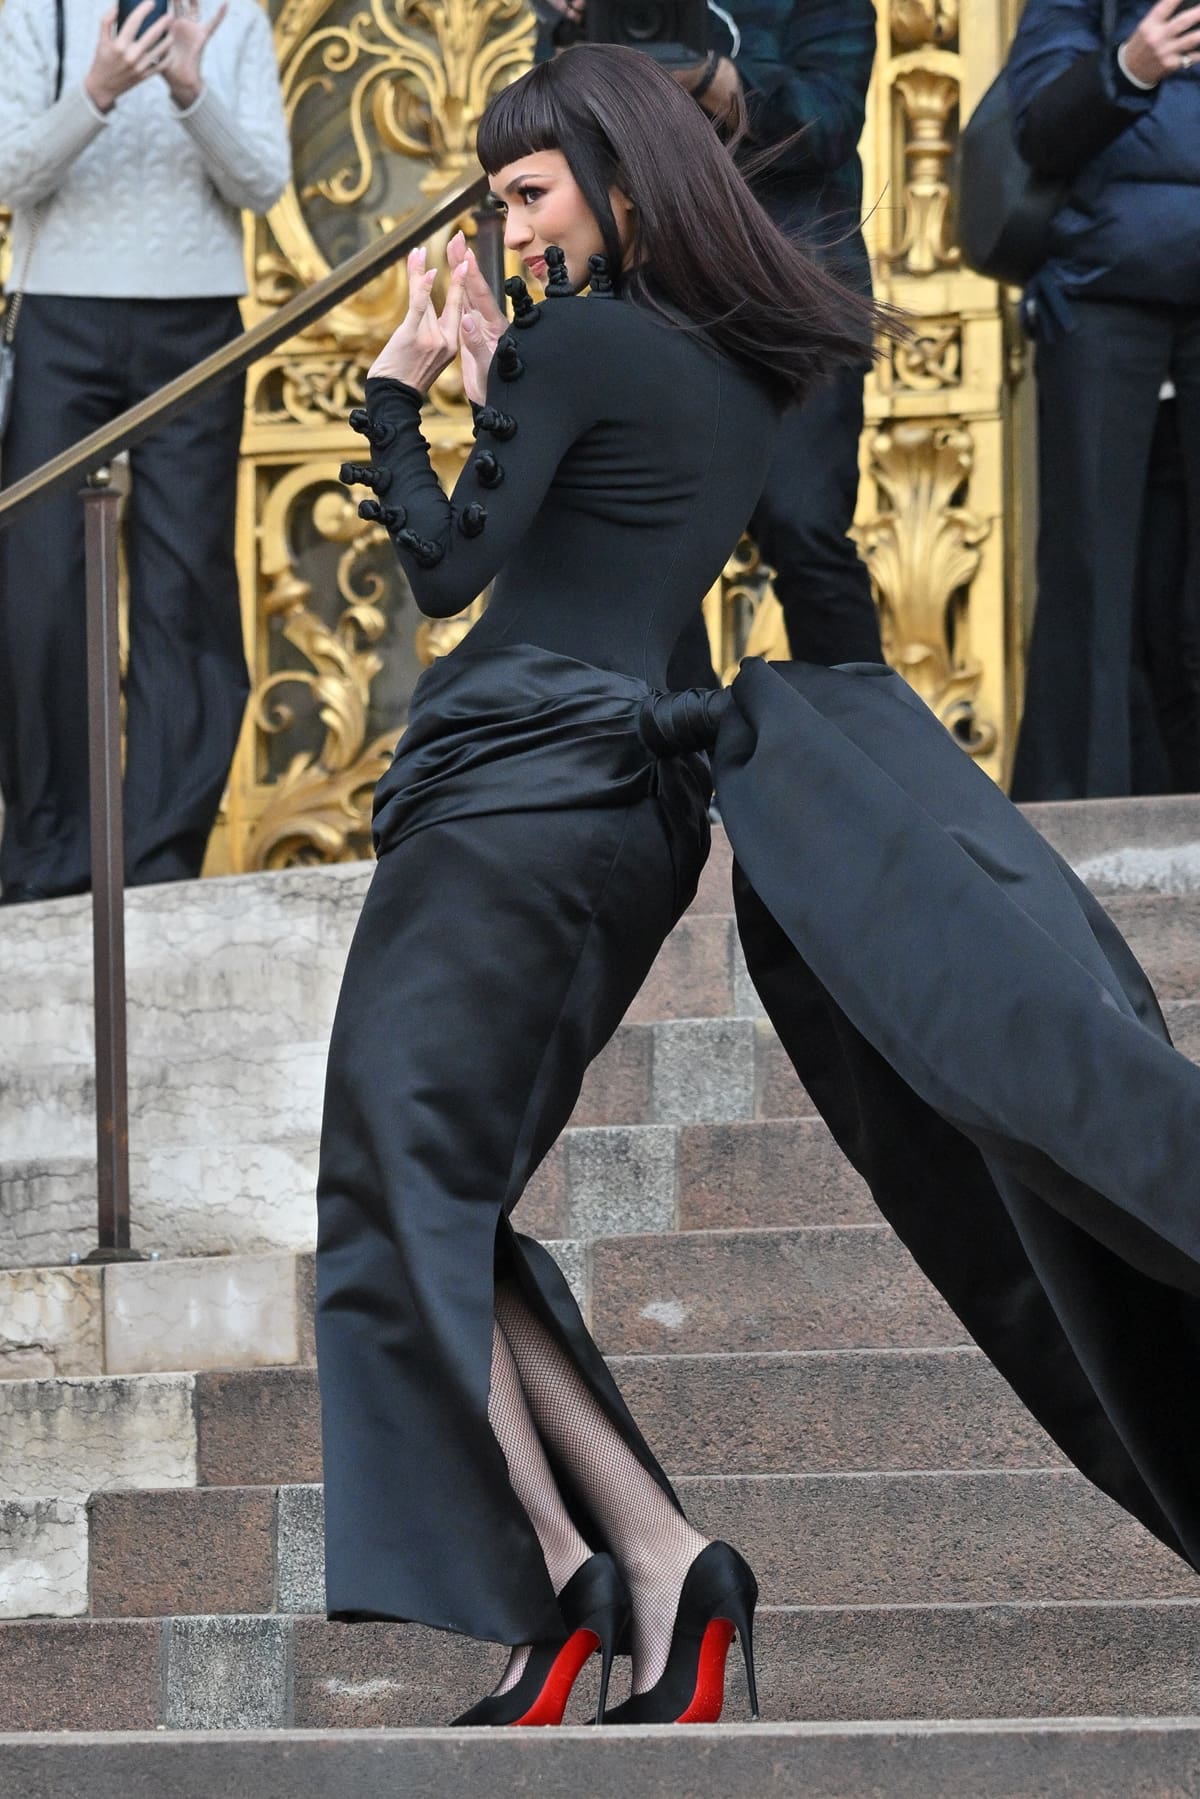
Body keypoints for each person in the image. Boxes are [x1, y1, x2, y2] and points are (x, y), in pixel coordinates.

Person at [319, 44, 1200, 1729]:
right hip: (619, 807)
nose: (504, 226)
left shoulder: (571, 340)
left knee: (398, 1198)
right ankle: (645, 1566)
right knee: (433, 1194)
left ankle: (611, 1570)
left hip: (510, 791)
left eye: (528, 191)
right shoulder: (730, 365)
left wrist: (399, 384)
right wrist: (511, 374)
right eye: (497, 198)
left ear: (623, 185)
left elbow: (447, 571)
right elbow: (610, 532)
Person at [0, 0, 291, 902]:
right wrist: (96, 90)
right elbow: (10, 172)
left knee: (186, 587)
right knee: (41, 586)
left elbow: (263, 183)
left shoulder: (233, 12)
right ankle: (53, 859)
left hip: (197, 319)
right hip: (58, 313)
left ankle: (161, 860)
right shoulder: (31, 8)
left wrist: (191, 87)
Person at [537, 0, 882, 685]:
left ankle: (871, 759)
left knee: (806, 530)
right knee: (650, 544)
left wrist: (718, 80)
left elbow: (828, 122)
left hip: (796, 299)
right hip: (659, 297)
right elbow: (561, 134)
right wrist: (569, 32)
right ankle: (680, 772)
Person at [1008, 0, 1200, 800]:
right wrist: (1128, 68)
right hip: (1102, 300)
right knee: (1090, 569)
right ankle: (1081, 819)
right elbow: (1036, 130)